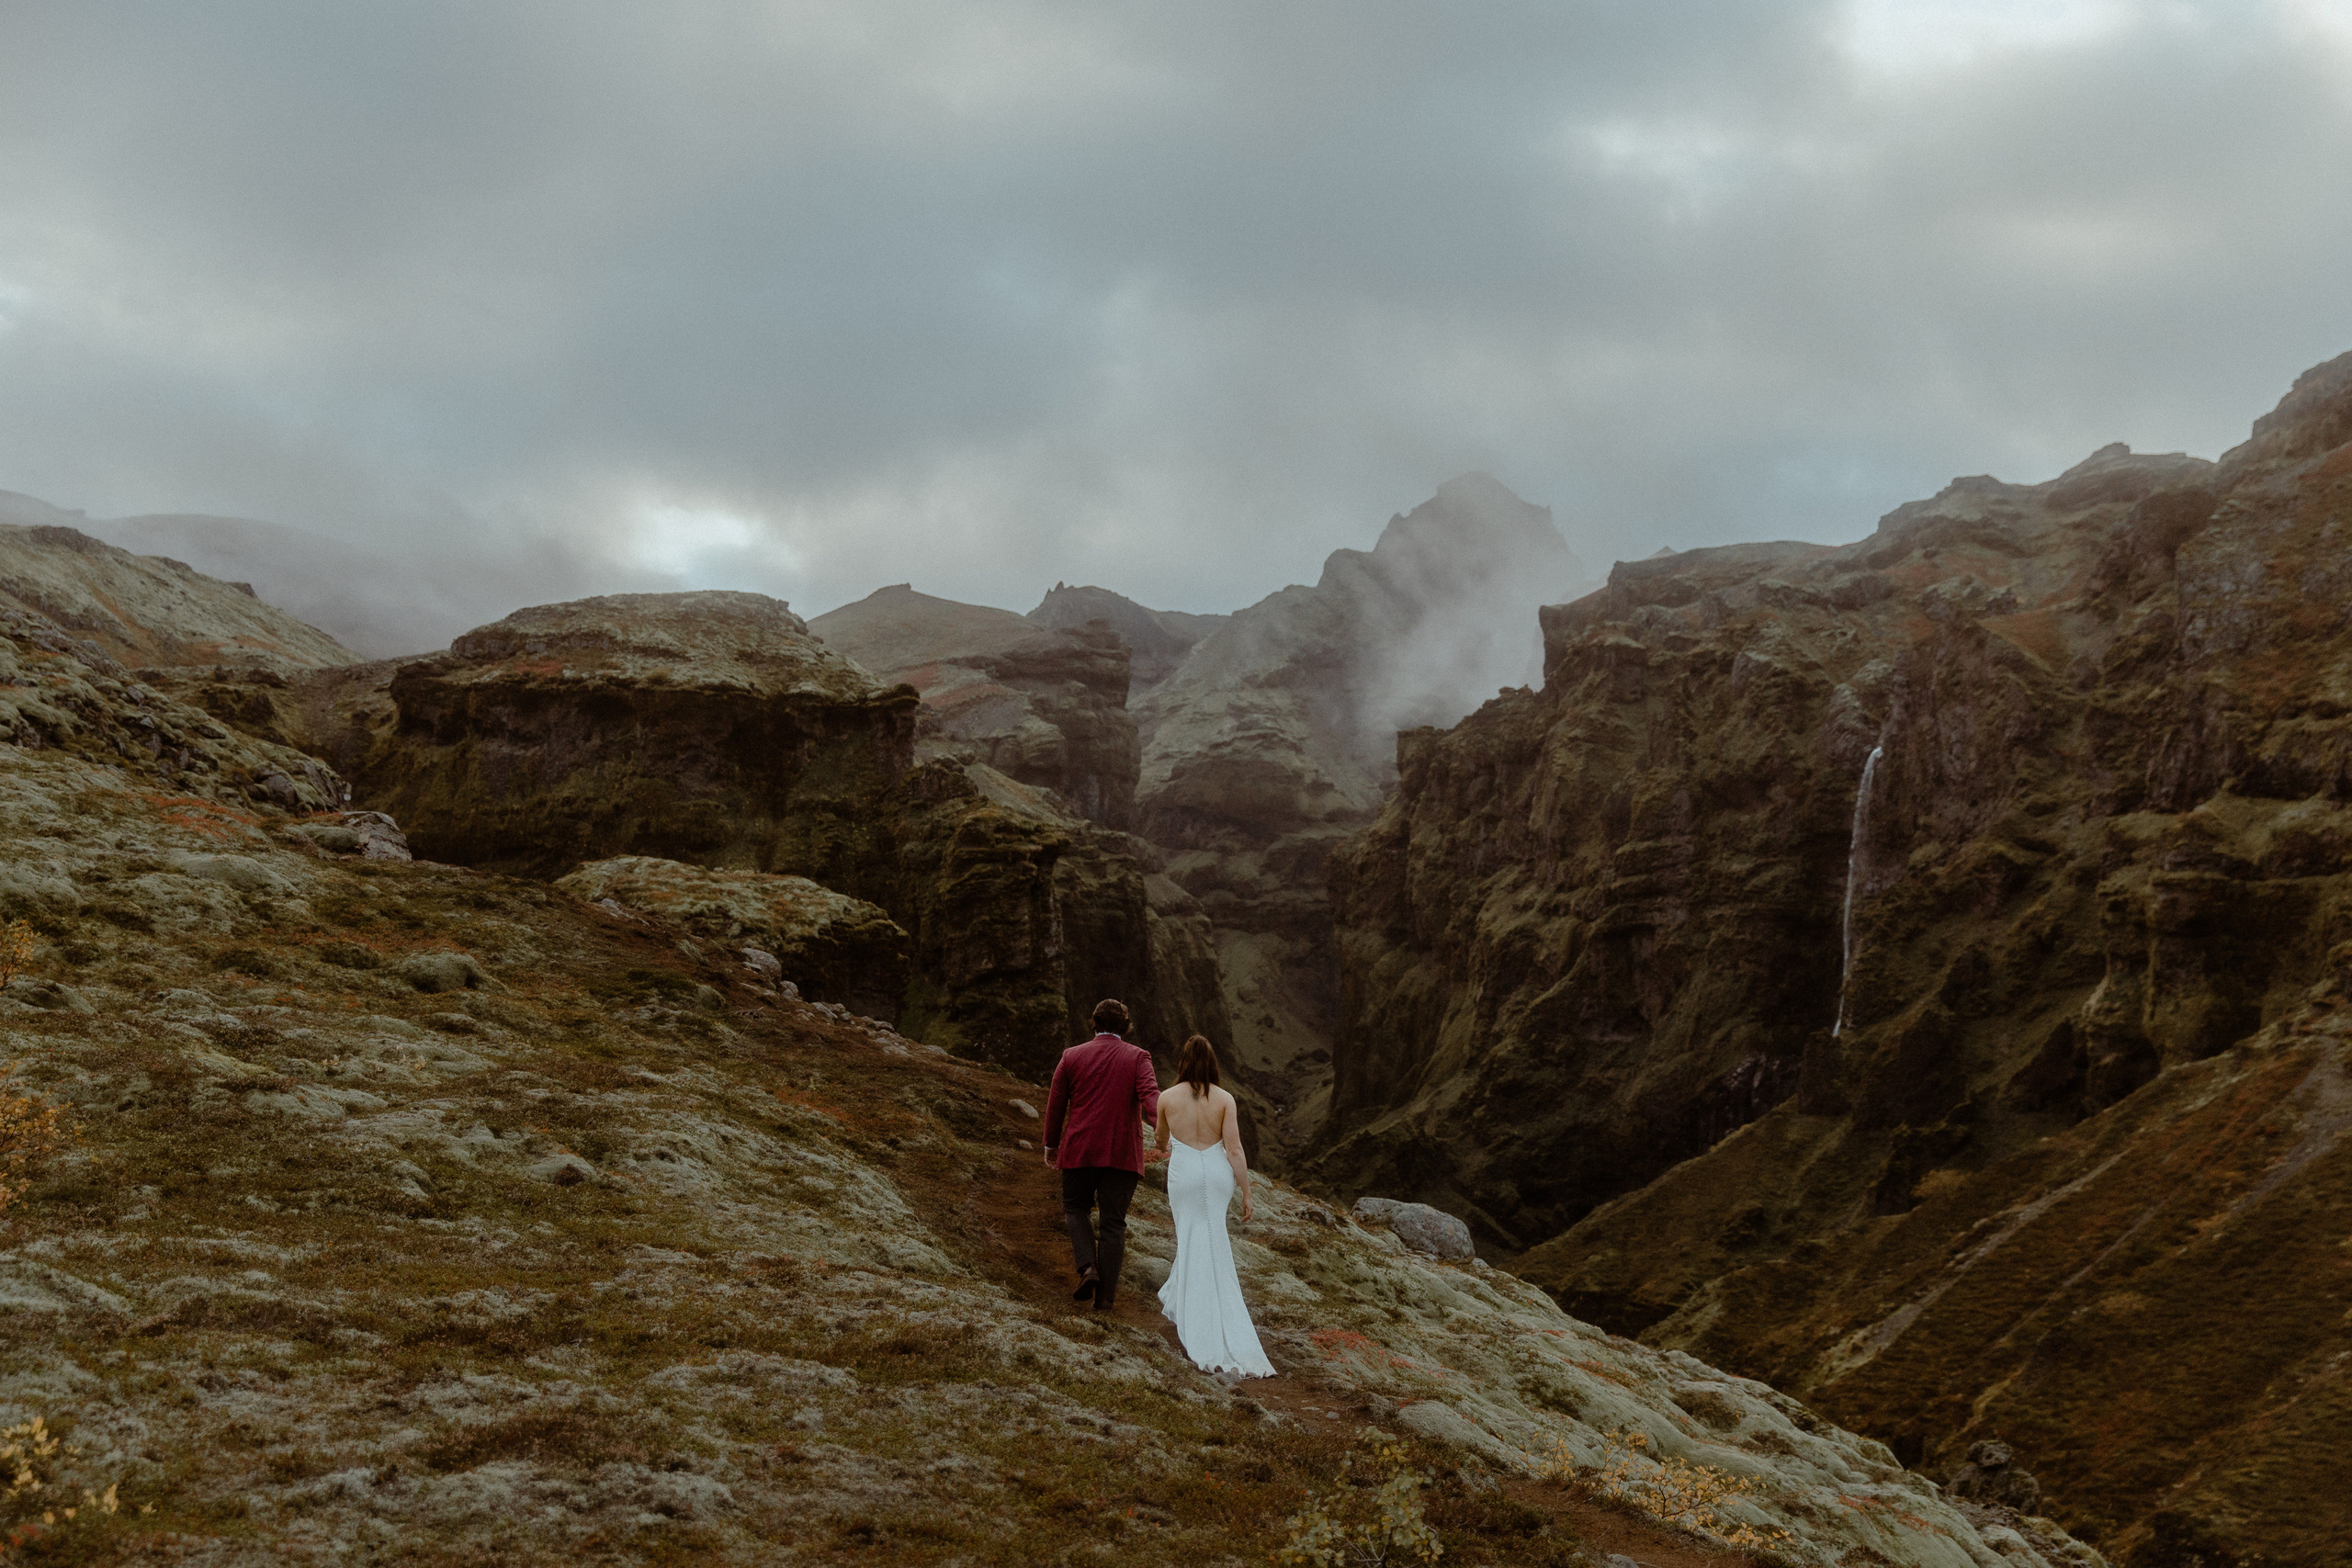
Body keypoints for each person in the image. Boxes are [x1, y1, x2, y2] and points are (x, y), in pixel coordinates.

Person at [1153, 1034, 1273, 1377]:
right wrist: (1246, 1192)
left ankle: (1193, 1310)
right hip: (1218, 1175)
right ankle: (1199, 1302)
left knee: (1190, 1236)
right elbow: (1233, 1149)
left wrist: (1168, 1143)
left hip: (1184, 1174)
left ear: (1183, 1062)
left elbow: (1160, 1140)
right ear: (1212, 1063)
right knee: (1212, 1235)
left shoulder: (1166, 1098)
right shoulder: (1224, 1099)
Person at [1042, 998, 1159, 1312]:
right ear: (1126, 1026)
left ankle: (1088, 1267)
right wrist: (1166, 1131)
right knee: (1113, 1224)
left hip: (1080, 1148)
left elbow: (1056, 1104)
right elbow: (1150, 1096)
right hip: (1122, 1154)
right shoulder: (1138, 1057)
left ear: (1094, 1023)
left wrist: (1051, 1145)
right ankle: (1105, 1300)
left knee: (1075, 1207)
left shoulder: (1071, 1056)